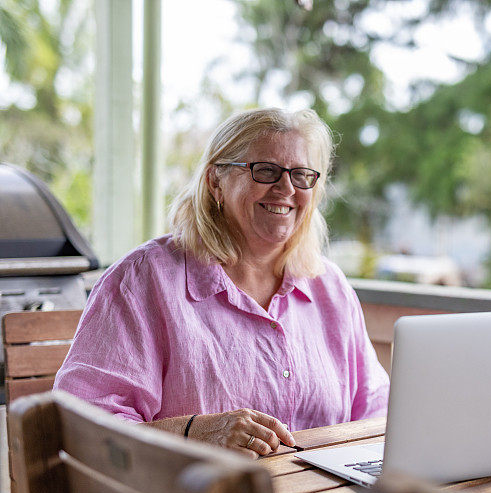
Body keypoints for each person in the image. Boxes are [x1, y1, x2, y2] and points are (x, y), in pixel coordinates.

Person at [54, 108, 390, 457]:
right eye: (266, 171)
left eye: (302, 175)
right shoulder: (142, 280)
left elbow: (376, 413)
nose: (286, 188)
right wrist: (193, 433)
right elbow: (81, 425)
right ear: (216, 182)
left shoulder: (331, 288)